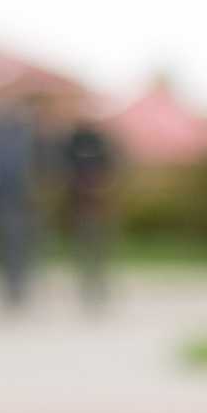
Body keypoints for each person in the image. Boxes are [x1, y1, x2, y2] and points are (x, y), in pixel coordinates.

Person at [0, 95, 40, 313]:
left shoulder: (22, 136)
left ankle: (17, 289)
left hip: (17, 200)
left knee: (16, 246)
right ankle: (2, 289)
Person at [62, 119, 118, 311]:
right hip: (81, 207)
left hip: (101, 207)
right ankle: (88, 289)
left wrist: (102, 187)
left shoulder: (105, 143)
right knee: (85, 250)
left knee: (100, 252)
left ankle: (100, 289)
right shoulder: (74, 142)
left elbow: (114, 172)